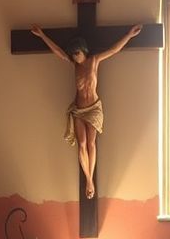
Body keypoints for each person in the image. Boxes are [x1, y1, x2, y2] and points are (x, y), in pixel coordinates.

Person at [30, 23, 142, 198]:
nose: (75, 57)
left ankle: (90, 182)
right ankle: (89, 180)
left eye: (77, 53)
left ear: (84, 51)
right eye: (73, 54)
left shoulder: (94, 61)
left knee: (91, 144)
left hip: (94, 108)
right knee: (81, 144)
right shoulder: (75, 65)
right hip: (79, 109)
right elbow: (58, 52)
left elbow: (113, 50)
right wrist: (42, 35)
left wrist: (129, 35)